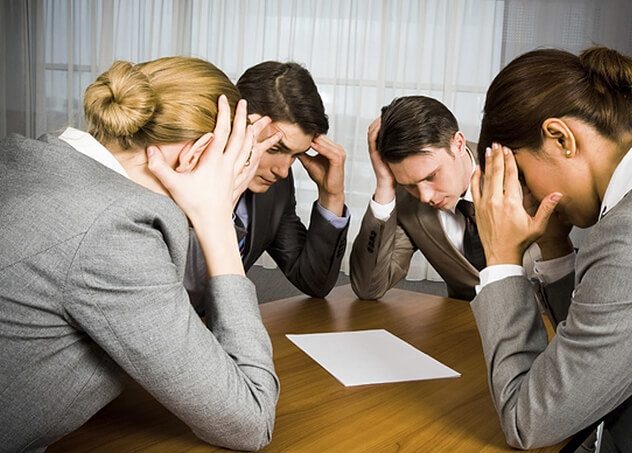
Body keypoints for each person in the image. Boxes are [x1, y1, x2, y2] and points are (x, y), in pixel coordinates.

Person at [0, 57, 282, 451]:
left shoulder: (31, 159)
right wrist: (217, 219)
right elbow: (250, 421)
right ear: (197, 152)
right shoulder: (115, 230)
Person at [470, 46, 632, 451]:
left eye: (522, 176)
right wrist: (553, 243)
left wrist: (501, 258)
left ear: (561, 138)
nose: (526, 196)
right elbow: (589, 363)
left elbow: (528, 420)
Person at [349, 96, 543, 300]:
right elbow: (368, 288)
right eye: (410, 185)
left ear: (458, 144)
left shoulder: (520, 171)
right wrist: (384, 185)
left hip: (543, 313)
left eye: (431, 176)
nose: (425, 197)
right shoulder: (407, 202)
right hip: (463, 315)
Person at [185, 61, 349, 302]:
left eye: (295, 155)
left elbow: (314, 282)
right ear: (236, 123)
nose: (283, 171)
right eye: (274, 148)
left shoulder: (276, 189)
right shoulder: (185, 173)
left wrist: (331, 196)